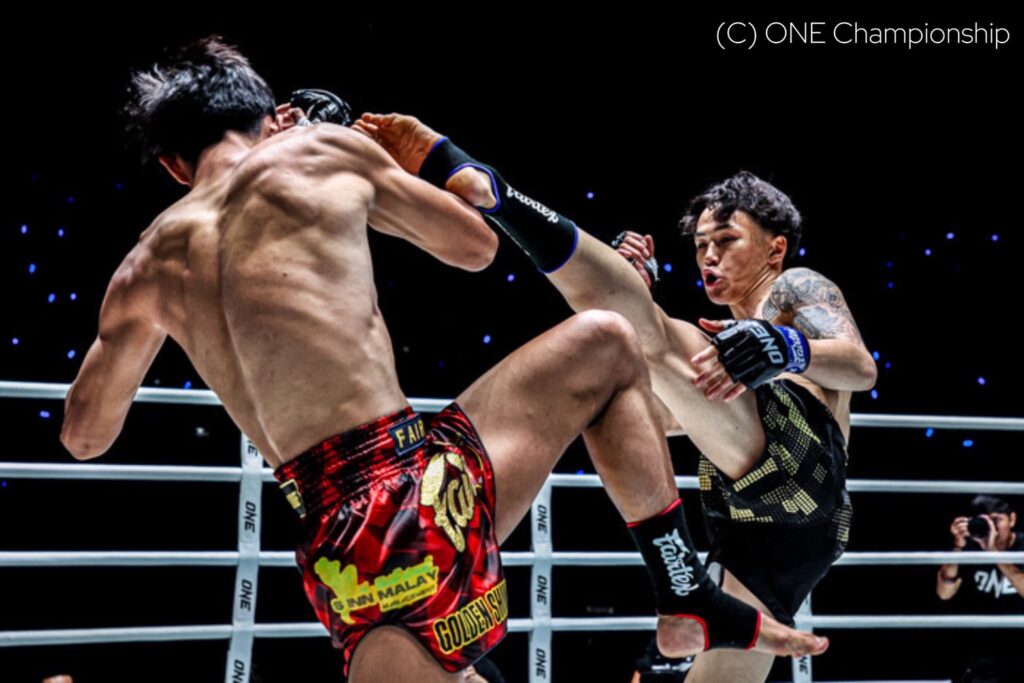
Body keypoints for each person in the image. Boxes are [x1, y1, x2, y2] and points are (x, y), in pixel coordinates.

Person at [58, 37, 825, 682]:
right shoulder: (316, 152)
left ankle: (686, 598)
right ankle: (683, 589)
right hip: (420, 490)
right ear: (266, 116)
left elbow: (85, 437)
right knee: (609, 338)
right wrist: (369, 158)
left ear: (173, 165)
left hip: (335, 548)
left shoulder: (141, 270)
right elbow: (474, 245)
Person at [355, 113, 874, 683]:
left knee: (650, 333)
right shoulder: (725, 352)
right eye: (701, 244)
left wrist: (785, 346)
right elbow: (665, 421)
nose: (709, 256)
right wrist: (634, 338)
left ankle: (497, 195)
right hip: (759, 528)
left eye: (727, 241)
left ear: (775, 249)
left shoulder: (794, 286)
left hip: (809, 470)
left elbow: (860, 367)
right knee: (624, 368)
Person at [937, 495, 1024, 682]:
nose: (991, 528)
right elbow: (944, 592)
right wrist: (957, 548)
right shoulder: (968, 548)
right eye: (986, 522)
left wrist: (994, 553)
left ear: (1012, 519)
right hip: (983, 647)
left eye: (996, 520)